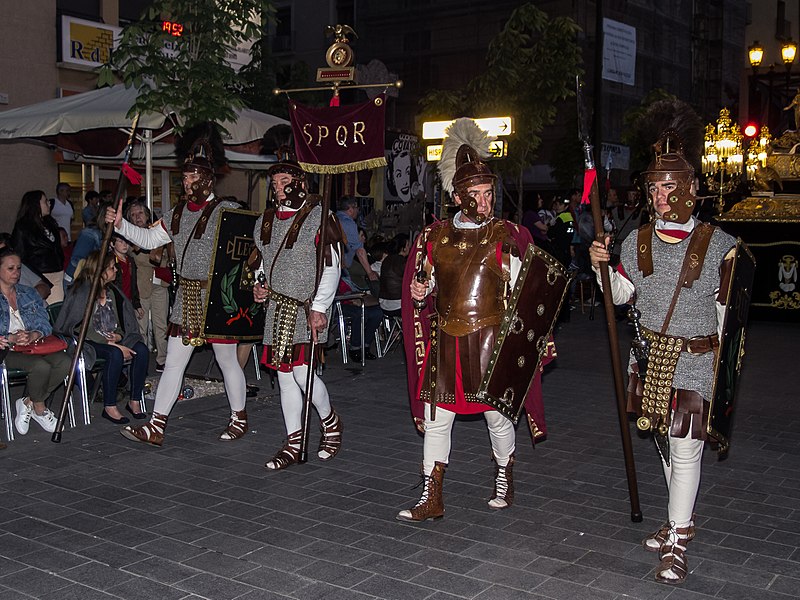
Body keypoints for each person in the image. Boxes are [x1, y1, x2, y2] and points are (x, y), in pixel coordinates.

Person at [588, 132, 737, 585]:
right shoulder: (637, 241)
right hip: (650, 358)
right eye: (653, 188)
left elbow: (728, 316)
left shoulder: (720, 244)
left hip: (693, 359)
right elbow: (621, 296)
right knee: (663, 444)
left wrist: (721, 371)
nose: (659, 196)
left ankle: (676, 541)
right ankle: (682, 519)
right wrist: (602, 267)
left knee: (685, 447)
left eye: (668, 187)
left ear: (691, 189)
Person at [397, 118, 547, 522]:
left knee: (496, 418)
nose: (484, 202)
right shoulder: (434, 237)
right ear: (458, 196)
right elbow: (425, 284)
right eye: (476, 194)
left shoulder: (507, 236)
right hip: (446, 339)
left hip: (489, 340)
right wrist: (419, 292)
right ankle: (432, 497)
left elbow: (526, 292)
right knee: (436, 419)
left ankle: (504, 473)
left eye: (488, 193)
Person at [105, 139, 249, 446]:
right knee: (173, 362)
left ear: (207, 179)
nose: (186, 183)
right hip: (186, 297)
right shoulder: (177, 213)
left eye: (192, 177)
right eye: (184, 178)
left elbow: (245, 254)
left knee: (226, 360)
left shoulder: (229, 211)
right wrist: (121, 226)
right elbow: (148, 238)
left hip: (217, 298)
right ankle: (156, 426)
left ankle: (239, 416)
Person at [251, 149, 344, 470]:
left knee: (304, 374)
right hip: (277, 307)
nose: (278, 186)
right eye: (274, 181)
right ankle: (293, 440)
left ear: (300, 182)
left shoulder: (321, 215)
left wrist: (320, 307)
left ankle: (330, 423)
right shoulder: (265, 220)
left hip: (307, 308)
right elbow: (263, 260)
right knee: (284, 375)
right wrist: (259, 283)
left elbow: (331, 266)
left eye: (285, 180)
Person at [56, 250, 149, 424]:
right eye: (112, 268)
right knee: (115, 354)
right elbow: (78, 327)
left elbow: (122, 323)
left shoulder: (113, 292)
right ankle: (110, 406)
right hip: (88, 342)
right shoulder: (82, 292)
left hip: (111, 339)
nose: (116, 271)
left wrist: (119, 337)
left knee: (141, 350)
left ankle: (134, 400)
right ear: (100, 270)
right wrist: (110, 344)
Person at [0, 247, 70, 435]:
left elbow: (44, 323)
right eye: (10, 268)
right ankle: (40, 408)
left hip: (33, 345)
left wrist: (34, 334)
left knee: (65, 362)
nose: (16, 273)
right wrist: (11, 338)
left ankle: (27, 401)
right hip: (7, 349)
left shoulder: (28, 293)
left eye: (19, 268)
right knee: (41, 366)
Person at [126, 200, 169, 372]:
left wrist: (157, 258)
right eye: (134, 215)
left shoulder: (157, 233)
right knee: (141, 328)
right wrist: (156, 258)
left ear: (147, 215)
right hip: (141, 287)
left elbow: (167, 259)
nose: (137, 217)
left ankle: (163, 360)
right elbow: (140, 258)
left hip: (160, 285)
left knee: (161, 326)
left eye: (140, 213)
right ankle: (140, 362)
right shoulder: (130, 235)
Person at [11, 190, 65, 304]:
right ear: (35, 204)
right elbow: (18, 253)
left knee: (57, 310)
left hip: (57, 274)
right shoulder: (23, 227)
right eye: (45, 201)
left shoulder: (50, 224)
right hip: (40, 276)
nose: (49, 204)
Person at [336, 197, 378, 283]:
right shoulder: (349, 223)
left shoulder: (335, 217)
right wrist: (370, 273)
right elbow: (360, 251)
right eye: (356, 208)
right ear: (350, 209)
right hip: (341, 268)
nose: (358, 210)